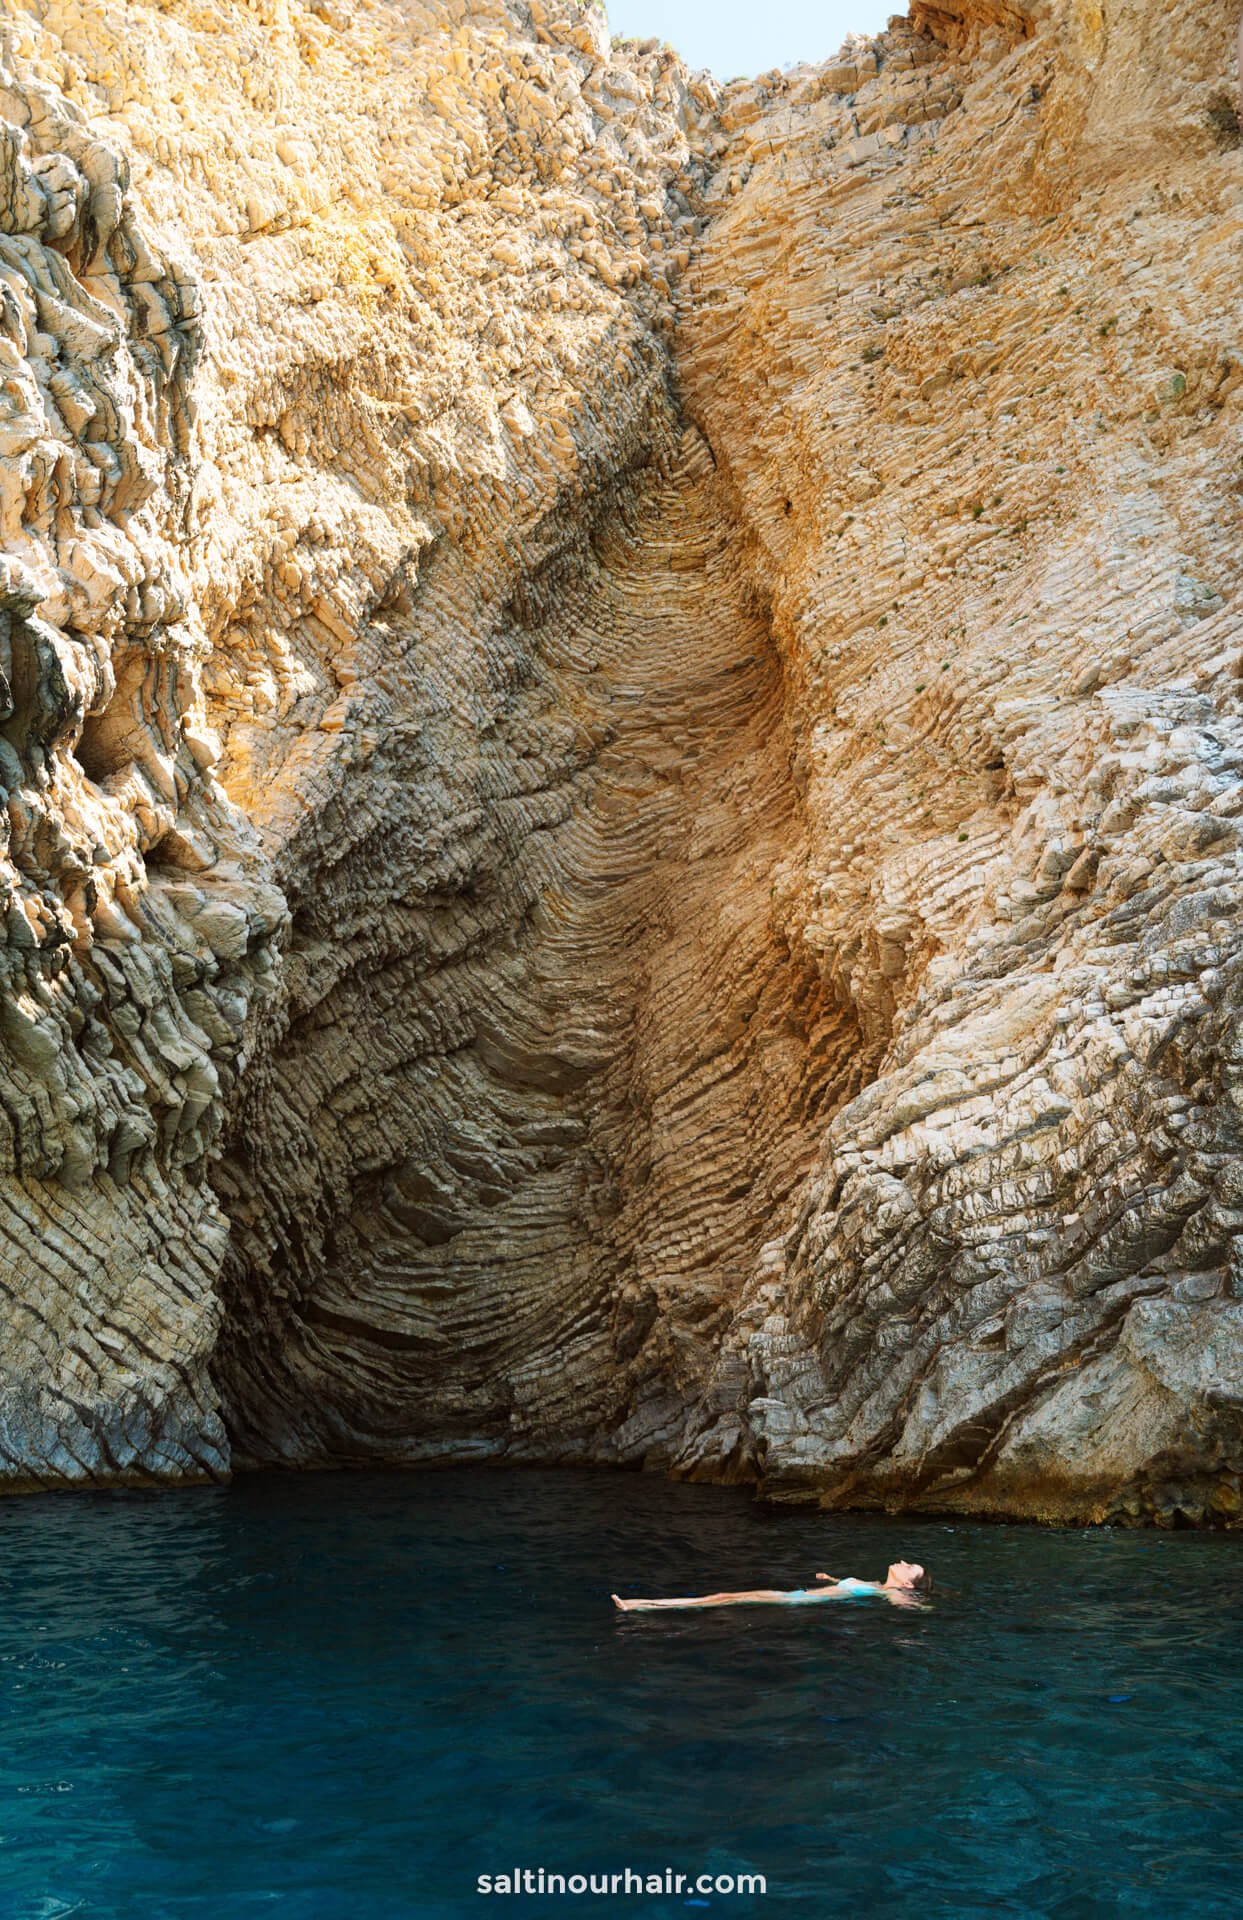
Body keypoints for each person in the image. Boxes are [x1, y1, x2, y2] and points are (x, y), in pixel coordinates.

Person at [611, 1560, 932, 1612]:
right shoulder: (874, 1583)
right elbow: (852, 1586)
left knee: (723, 1598)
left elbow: (905, 1603)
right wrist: (831, 1579)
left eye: (909, 1567)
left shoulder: (887, 1591)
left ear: (905, 1582)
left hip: (796, 1600)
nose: (903, 1561)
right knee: (724, 1597)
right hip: (798, 1596)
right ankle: (640, 1604)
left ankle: (639, 1605)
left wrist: (920, 1605)